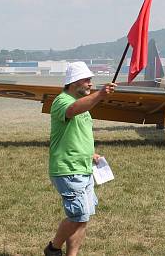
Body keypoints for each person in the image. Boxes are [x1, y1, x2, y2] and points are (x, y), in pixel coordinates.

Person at [44, 62, 116, 256]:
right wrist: (100, 95)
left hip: (83, 167)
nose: (90, 84)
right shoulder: (62, 101)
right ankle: (53, 248)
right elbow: (72, 110)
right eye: (87, 80)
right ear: (74, 82)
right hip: (67, 169)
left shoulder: (84, 104)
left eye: (91, 81)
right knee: (77, 214)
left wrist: (90, 154)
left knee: (84, 216)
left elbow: (76, 134)